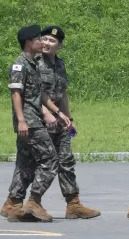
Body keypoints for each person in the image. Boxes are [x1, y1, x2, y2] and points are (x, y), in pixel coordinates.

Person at [37, 25, 100, 219]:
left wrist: (68, 119)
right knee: (40, 164)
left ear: (60, 45)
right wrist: (48, 114)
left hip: (59, 120)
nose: (47, 43)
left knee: (66, 162)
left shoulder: (60, 64)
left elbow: (62, 93)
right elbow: (34, 94)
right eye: (45, 39)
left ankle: (73, 204)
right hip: (41, 120)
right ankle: (24, 202)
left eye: (52, 41)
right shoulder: (35, 63)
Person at [0, 25, 60, 223]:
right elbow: (16, 93)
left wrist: (57, 112)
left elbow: (39, 94)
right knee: (50, 159)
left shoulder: (33, 63)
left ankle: (13, 203)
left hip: (34, 118)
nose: (42, 42)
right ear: (28, 42)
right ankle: (34, 200)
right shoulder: (20, 64)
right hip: (29, 122)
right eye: (38, 39)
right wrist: (22, 120)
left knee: (26, 163)